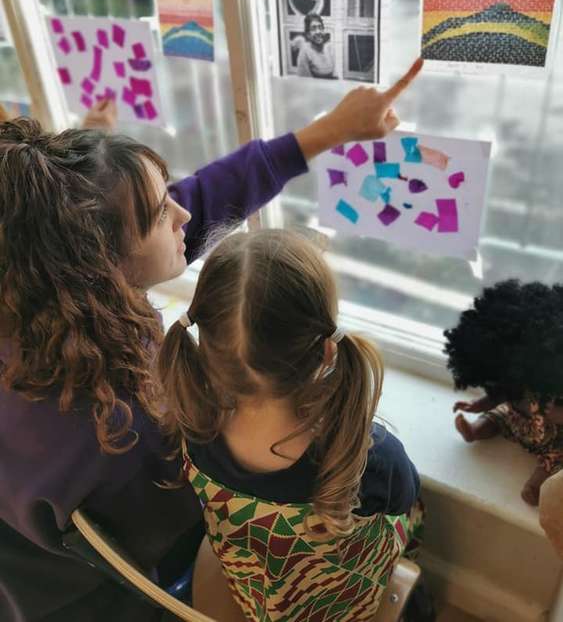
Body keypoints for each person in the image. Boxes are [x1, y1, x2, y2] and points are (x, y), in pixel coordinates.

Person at [0, 57, 423, 622]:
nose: (184, 210)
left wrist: (332, 129)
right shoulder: (123, 429)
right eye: (158, 214)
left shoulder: (37, 297)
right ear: (97, 263)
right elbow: (193, 528)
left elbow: (196, 199)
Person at [158, 229, 422, 621]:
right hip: (344, 609)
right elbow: (405, 500)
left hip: (253, 592)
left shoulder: (193, 431)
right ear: (327, 350)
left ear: (207, 352)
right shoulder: (373, 457)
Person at [444, 279, 563, 506]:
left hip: (554, 438)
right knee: (496, 417)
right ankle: (476, 431)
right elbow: (496, 397)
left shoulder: (553, 389)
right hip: (515, 422)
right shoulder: (512, 382)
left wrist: (554, 413)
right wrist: (477, 405)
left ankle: (536, 485)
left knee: (555, 460)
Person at [294, 13, 335, 79]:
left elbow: (334, 76)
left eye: (320, 27)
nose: (318, 32)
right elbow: (304, 82)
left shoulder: (329, 48)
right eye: (313, 29)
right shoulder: (305, 52)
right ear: (308, 34)